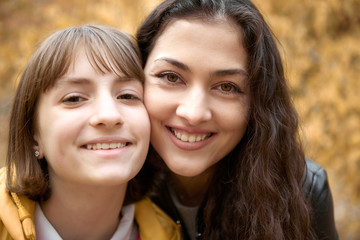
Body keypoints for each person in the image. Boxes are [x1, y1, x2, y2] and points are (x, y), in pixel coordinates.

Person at [135, 0, 339, 239]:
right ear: (137, 76)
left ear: (258, 102)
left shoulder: (304, 191)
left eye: (226, 86)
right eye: (171, 77)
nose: (194, 113)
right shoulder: (107, 174)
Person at [0, 24, 155, 240]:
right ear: (34, 136)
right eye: (74, 98)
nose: (109, 115)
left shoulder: (177, 234)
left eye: (128, 96)